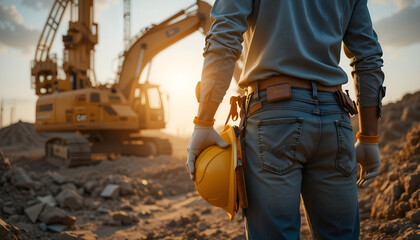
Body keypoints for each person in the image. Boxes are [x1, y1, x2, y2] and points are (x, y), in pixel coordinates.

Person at [186, 0, 385, 239]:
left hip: (272, 120)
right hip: (336, 119)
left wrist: (204, 122)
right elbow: (368, 55)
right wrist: (369, 138)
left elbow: (224, 36)